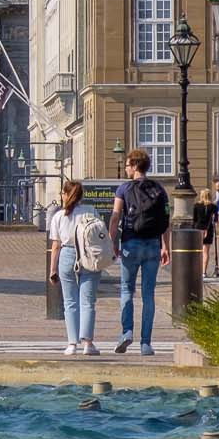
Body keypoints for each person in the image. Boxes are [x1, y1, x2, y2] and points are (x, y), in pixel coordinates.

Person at [109, 148, 171, 356]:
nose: (126, 168)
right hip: (153, 244)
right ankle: (146, 343)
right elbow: (166, 220)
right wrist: (165, 246)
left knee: (127, 290)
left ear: (135, 166)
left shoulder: (124, 189)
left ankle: (127, 332)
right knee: (148, 294)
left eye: (127, 165)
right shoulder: (159, 189)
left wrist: (112, 242)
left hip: (130, 243)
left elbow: (116, 216)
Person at [46, 179, 105, 355]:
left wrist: (52, 269)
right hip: (88, 255)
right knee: (88, 301)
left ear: (65, 195)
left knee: (70, 302)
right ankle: (88, 343)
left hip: (67, 254)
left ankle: (72, 343)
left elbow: (55, 245)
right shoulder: (91, 211)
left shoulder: (59, 216)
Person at [193, 184, 219, 281]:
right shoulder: (213, 207)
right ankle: (204, 272)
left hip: (198, 229)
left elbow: (194, 219)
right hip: (208, 230)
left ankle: (196, 270)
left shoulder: (196, 206)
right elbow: (216, 219)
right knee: (206, 252)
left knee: (197, 251)